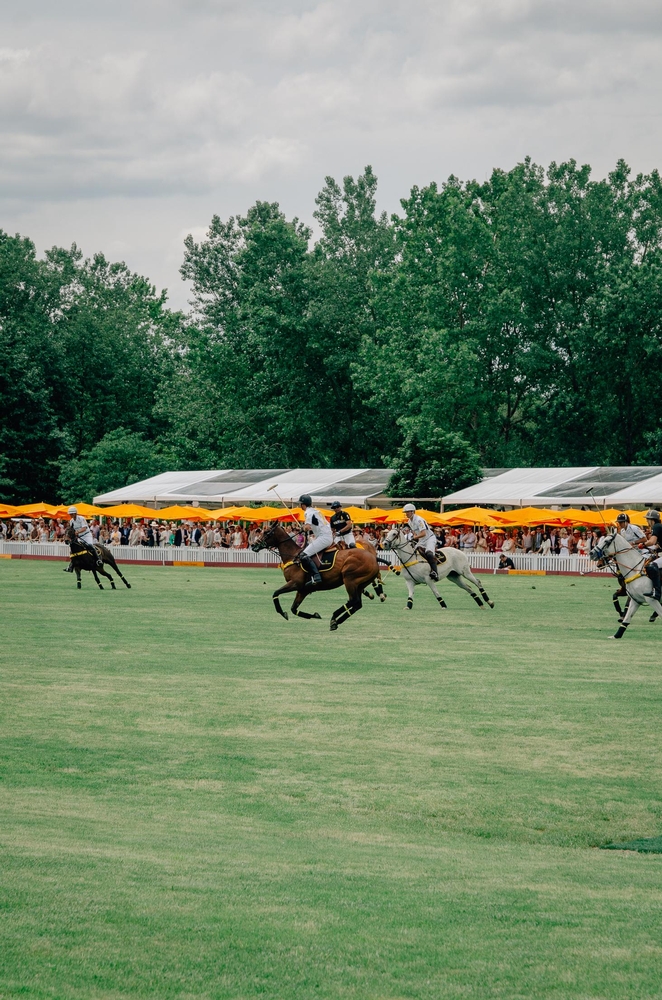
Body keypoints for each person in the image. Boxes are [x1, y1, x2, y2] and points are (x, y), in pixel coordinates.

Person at [298, 494, 334, 586]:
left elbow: (307, 527)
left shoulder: (308, 513)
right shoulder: (316, 511)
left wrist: (302, 528)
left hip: (323, 538)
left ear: (303, 504)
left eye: (300, 504)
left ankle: (316, 576)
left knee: (303, 555)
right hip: (325, 536)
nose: (300, 506)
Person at [403, 503, 439, 580]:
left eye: (407, 512)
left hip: (429, 538)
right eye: (405, 512)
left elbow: (423, 533)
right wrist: (414, 537)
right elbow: (415, 532)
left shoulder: (419, 520)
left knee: (429, 553)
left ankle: (435, 572)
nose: (406, 514)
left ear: (412, 512)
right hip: (422, 540)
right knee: (415, 552)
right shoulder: (409, 521)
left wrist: (415, 537)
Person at [641, 509, 662, 601]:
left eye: (647, 519)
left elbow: (652, 541)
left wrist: (643, 544)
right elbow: (657, 544)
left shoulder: (656, 527)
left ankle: (657, 592)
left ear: (651, 520)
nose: (647, 521)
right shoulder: (659, 526)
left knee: (651, 566)